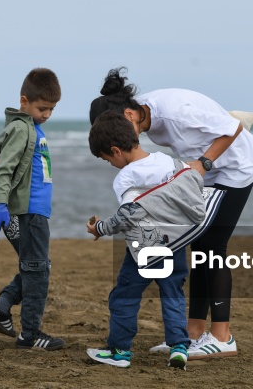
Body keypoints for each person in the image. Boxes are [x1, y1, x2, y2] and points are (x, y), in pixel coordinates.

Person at [89, 67, 253, 359]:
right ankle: (193, 333)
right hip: (206, 174)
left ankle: (223, 336)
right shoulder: (142, 117)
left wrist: (203, 163)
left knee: (213, 247)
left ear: (130, 115)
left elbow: (232, 127)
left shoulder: (173, 113)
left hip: (235, 169)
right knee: (199, 246)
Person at [85, 111, 211, 370]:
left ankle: (120, 352)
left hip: (145, 248)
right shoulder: (167, 161)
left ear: (116, 150)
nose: (111, 164)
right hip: (175, 244)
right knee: (172, 294)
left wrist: (99, 228)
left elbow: (128, 215)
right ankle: (178, 348)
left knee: (124, 296)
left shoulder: (126, 177)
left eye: (108, 159)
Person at [0, 67, 65, 351]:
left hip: (32, 211)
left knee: (36, 267)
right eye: (42, 108)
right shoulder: (21, 128)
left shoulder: (32, 128)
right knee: (38, 268)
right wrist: (1, 205)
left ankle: (1, 307)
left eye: (51, 109)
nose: (47, 115)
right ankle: (30, 334)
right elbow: (4, 170)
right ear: (24, 101)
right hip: (27, 212)